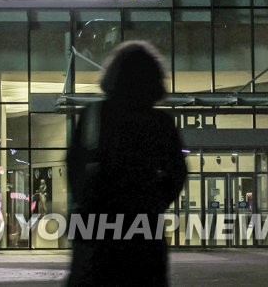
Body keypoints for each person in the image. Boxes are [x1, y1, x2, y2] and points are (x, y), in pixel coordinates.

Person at [66, 41, 187, 286]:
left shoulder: (94, 115)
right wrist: (153, 201)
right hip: (142, 223)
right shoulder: (160, 122)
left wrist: (85, 198)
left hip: (97, 221)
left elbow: (73, 164)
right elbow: (177, 172)